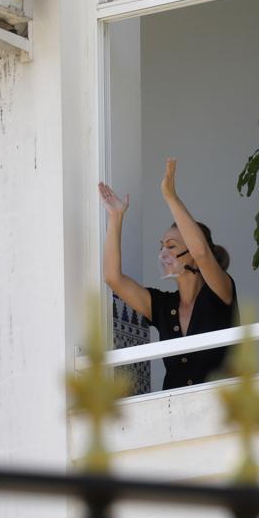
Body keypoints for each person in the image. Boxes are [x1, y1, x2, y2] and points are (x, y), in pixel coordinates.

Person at [98, 158, 237, 390]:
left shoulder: (219, 291)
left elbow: (202, 253)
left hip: (219, 415)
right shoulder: (163, 305)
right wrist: (116, 217)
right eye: (161, 245)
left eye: (171, 246)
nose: (164, 252)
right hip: (173, 416)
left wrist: (171, 197)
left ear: (191, 253)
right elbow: (113, 278)